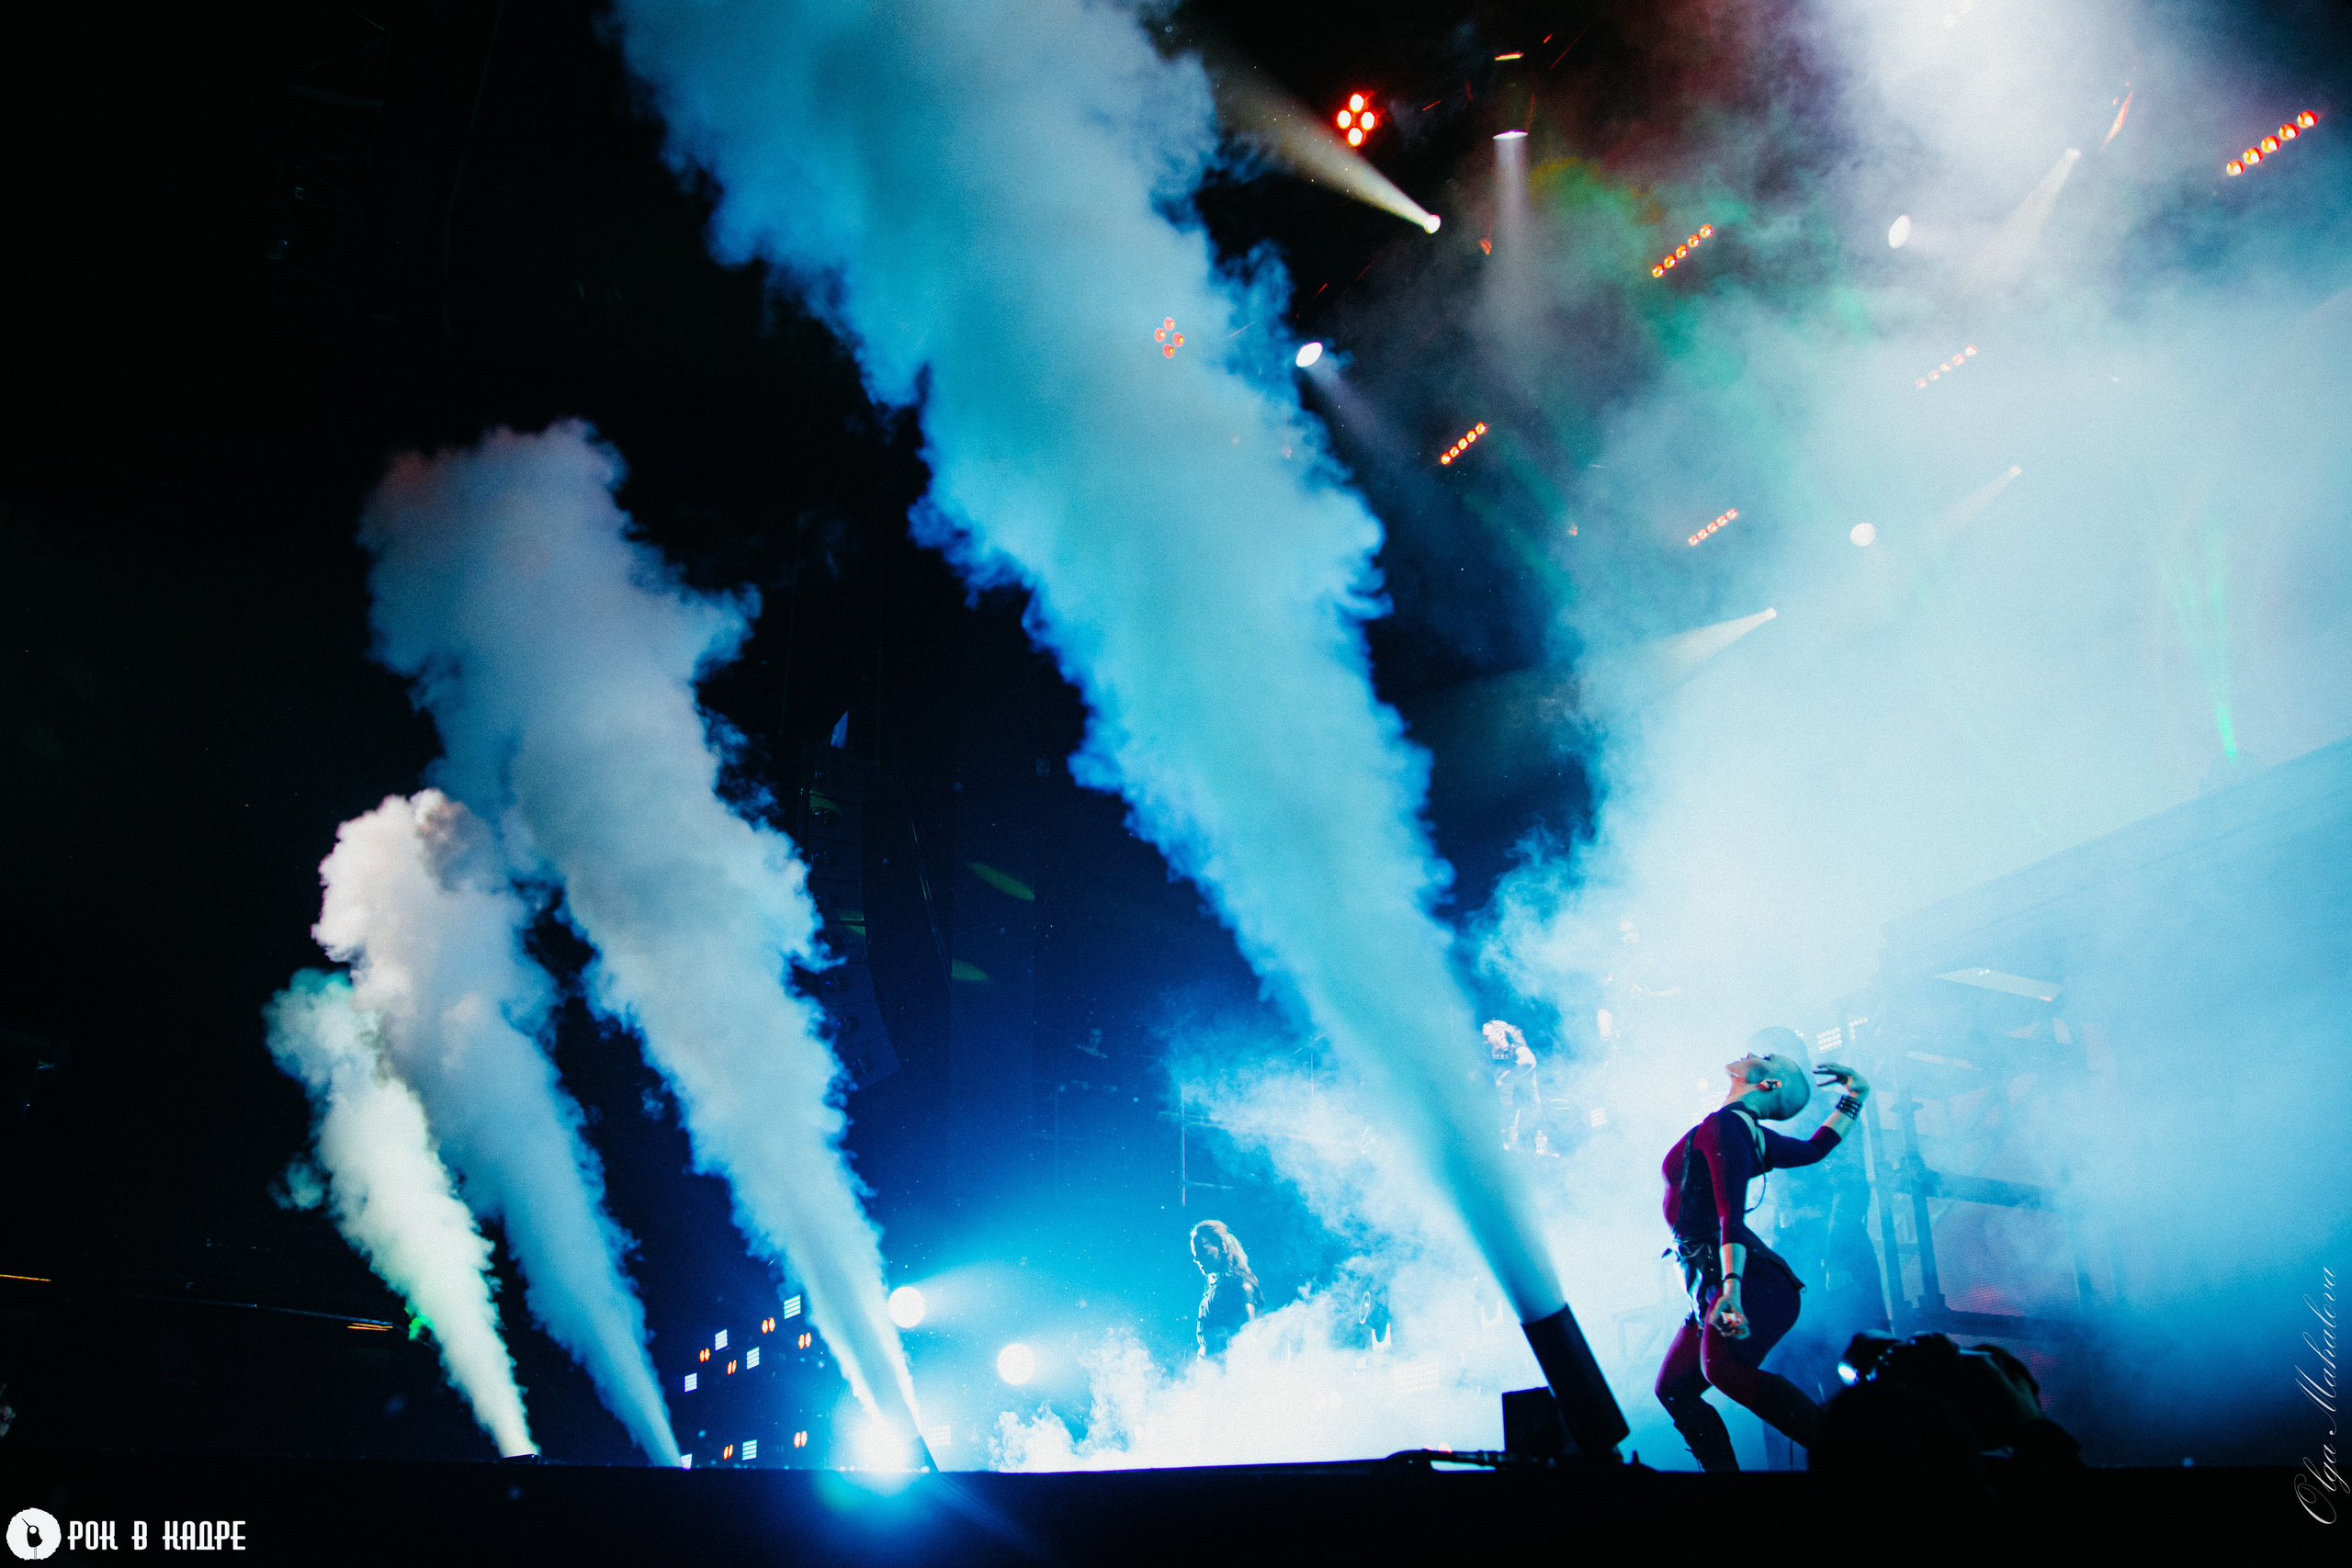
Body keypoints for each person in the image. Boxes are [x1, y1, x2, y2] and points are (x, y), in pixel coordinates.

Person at [1653, 1027, 1871, 1472]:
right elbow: (1814, 1149)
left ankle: (1849, 1460)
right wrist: (1855, 1097)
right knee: (1674, 1388)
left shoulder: (1730, 1127)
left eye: (1767, 1057)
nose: (1753, 1051)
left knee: (1722, 1371)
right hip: (1714, 1282)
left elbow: (1730, 1216)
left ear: (1770, 1083)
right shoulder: (1741, 1130)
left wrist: (1731, 1289)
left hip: (1747, 1283)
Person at [1190, 1220, 1263, 1359]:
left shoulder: (1239, 1286)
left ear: (1222, 1246)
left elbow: (1248, 1336)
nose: (1196, 1258)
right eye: (1194, 1252)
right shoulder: (1217, 1289)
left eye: (1201, 1249)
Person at [1483, 1020, 1541, 1148]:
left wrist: (1504, 1078)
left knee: (1519, 1148)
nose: (1485, 1042)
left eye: (1487, 1037)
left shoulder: (1518, 1049)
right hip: (1506, 1113)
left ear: (1500, 1034)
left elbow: (1529, 1062)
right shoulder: (1494, 1055)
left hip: (1523, 1112)